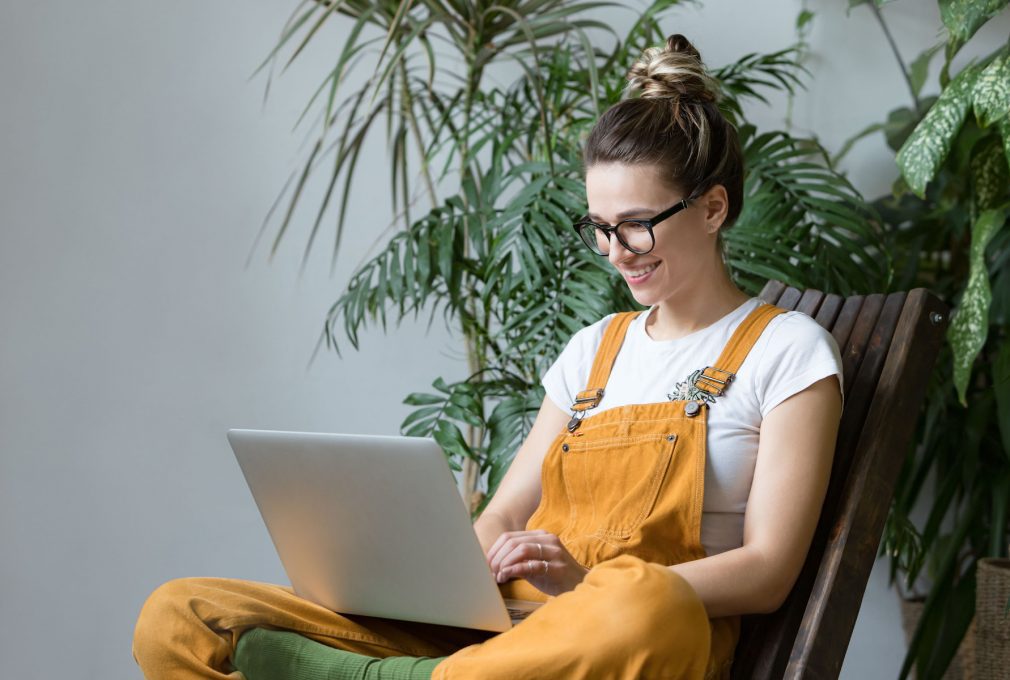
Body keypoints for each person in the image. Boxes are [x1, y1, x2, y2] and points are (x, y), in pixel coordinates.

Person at [132, 34, 843, 680]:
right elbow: (503, 513)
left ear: (713, 207)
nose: (613, 252)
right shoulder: (593, 351)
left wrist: (589, 584)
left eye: (635, 225)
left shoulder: (787, 351)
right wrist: (434, 583)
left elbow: (767, 571)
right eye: (597, 227)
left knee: (644, 603)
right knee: (181, 614)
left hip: (621, 638)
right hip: (507, 633)